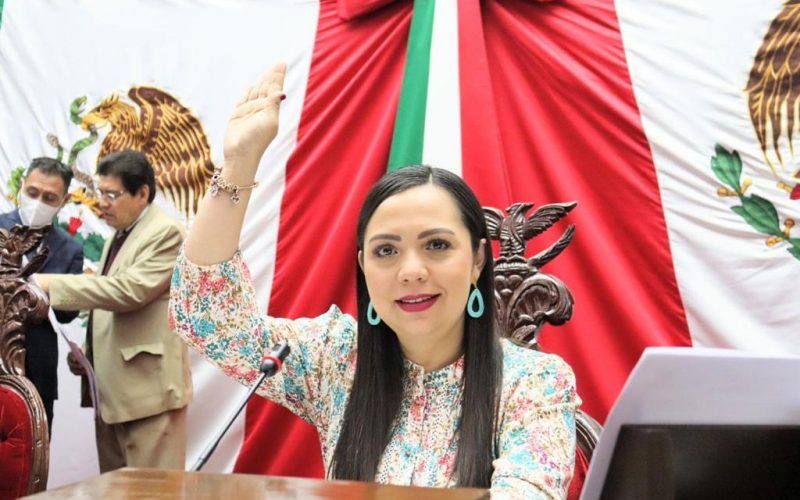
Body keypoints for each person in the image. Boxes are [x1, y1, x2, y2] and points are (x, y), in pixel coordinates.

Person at [169, 65, 579, 498]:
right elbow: (208, 321)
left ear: (477, 260)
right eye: (387, 251)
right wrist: (239, 162)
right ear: (363, 265)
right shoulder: (335, 358)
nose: (411, 271)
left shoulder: (533, 381)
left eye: (437, 245)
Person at [33, 150, 193, 472]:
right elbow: (110, 305)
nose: (101, 203)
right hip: (114, 396)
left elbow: (128, 291)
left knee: (152, 493)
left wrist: (50, 283)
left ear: (142, 193)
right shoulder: (119, 235)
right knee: (115, 491)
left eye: (111, 194)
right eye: (99, 192)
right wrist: (89, 355)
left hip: (149, 398)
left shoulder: (166, 232)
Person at [0, 157, 84, 432]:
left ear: (64, 200)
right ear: (22, 186)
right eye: (33, 192)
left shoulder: (70, 249)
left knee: (32, 448)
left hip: (38, 368)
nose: (38, 203)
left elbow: (67, 315)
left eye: (49, 198)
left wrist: (44, 288)